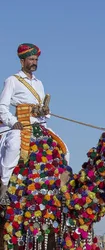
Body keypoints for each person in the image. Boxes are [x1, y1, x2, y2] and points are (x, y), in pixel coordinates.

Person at [0, 43, 68, 205]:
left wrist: (44, 111)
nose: (34, 62)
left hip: (39, 125)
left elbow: (42, 109)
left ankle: (61, 188)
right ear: (22, 61)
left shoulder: (39, 83)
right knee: (13, 145)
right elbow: (2, 106)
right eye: (31, 59)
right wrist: (13, 122)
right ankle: (3, 186)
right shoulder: (12, 80)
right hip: (21, 125)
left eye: (36, 59)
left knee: (63, 149)